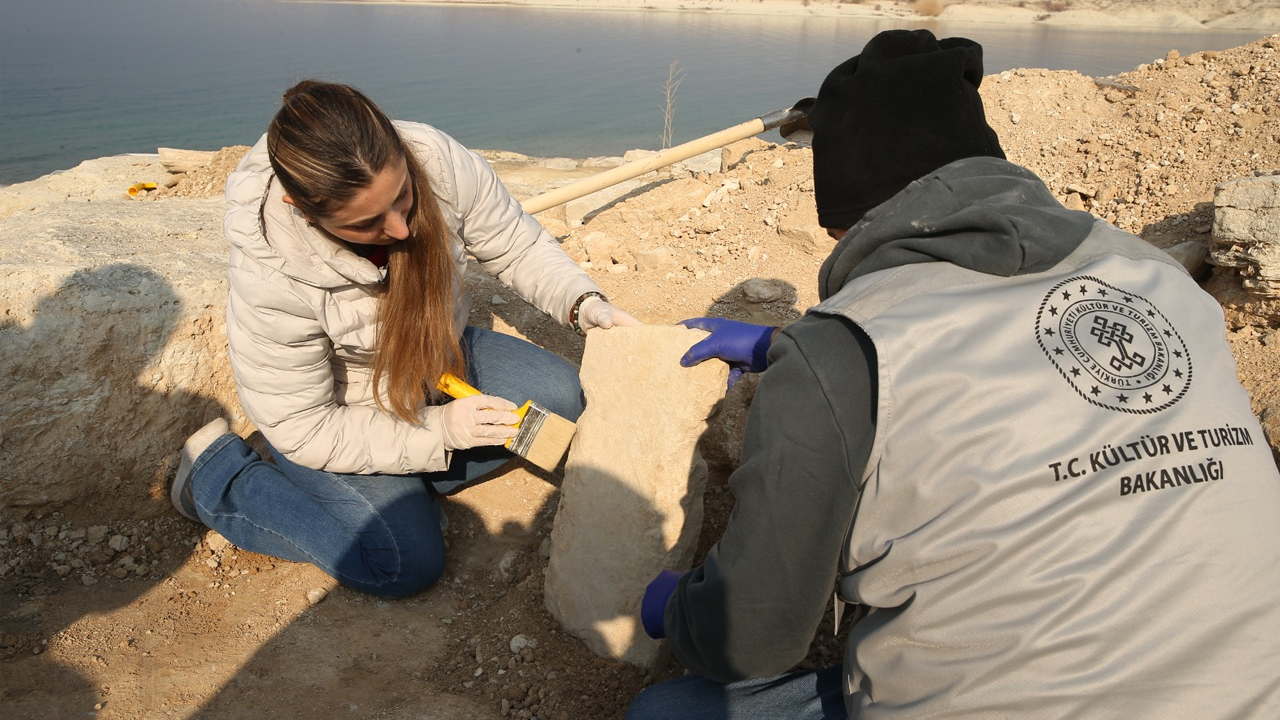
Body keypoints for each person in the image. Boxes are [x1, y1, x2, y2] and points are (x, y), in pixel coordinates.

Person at [629, 29, 1280, 719]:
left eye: (835, 228)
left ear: (860, 217)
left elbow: (753, 635)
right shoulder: (1155, 273)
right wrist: (791, 350)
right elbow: (1017, 353)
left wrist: (683, 609)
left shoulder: (844, 350)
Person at [169, 80, 639, 598]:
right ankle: (219, 479)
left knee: (566, 398)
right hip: (344, 409)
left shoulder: (435, 158)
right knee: (403, 562)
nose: (400, 229)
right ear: (304, 211)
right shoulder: (272, 276)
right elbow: (302, 425)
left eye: (403, 198)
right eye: (368, 222)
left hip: (435, 358)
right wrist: (438, 434)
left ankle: (392, 488)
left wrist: (585, 305)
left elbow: (512, 243)